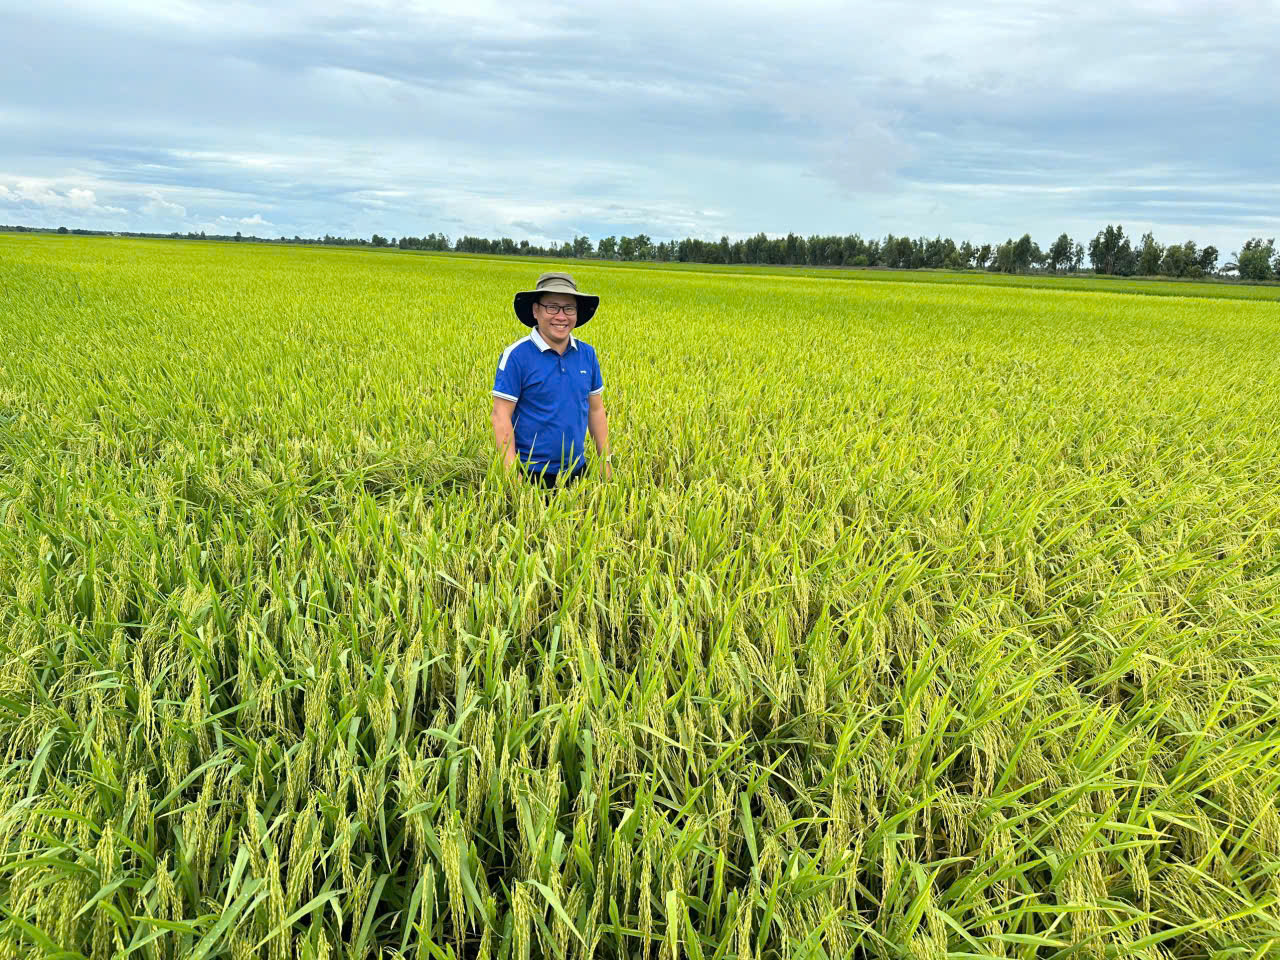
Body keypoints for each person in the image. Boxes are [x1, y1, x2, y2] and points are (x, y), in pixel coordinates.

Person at [491, 272, 612, 488]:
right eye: (552, 307)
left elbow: (596, 410)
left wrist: (605, 462)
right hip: (530, 473)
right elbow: (501, 416)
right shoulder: (516, 356)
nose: (561, 316)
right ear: (535, 310)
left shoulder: (587, 354)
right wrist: (511, 474)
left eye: (569, 308)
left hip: (577, 470)